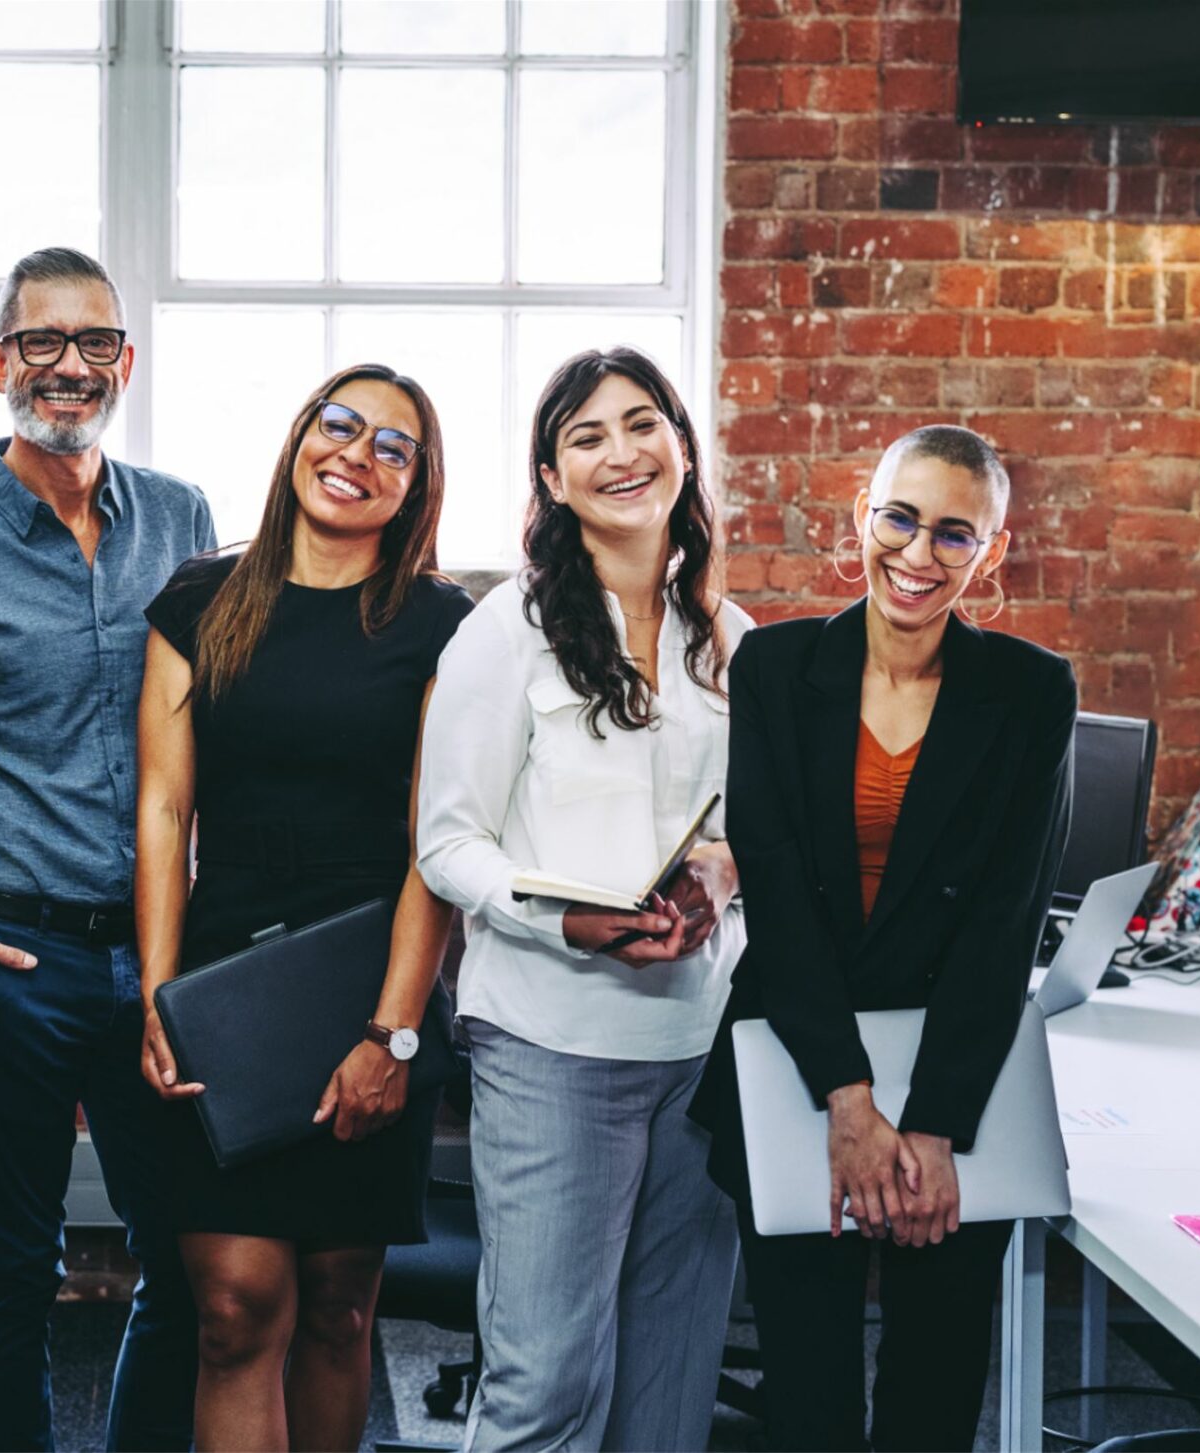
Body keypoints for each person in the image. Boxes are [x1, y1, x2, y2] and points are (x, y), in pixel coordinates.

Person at [0, 246, 215, 1451]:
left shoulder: (182, 519)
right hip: (6, 956)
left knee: (183, 1256)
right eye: (41, 343)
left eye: (94, 344)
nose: (69, 367)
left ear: (126, 359)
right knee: (13, 1263)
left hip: (159, 953)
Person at [687, 424, 1076, 1453]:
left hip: (952, 1085)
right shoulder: (774, 666)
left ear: (991, 551)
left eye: (955, 534)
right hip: (797, 1069)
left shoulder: (1031, 692)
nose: (916, 553)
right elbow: (776, 897)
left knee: (933, 1400)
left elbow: (1005, 922)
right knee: (806, 1402)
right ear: (860, 514)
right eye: (898, 518)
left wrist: (933, 1126)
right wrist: (849, 1102)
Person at [416, 347, 752, 1451]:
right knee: (547, 1389)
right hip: (550, 1044)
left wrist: (716, 874)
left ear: (682, 447)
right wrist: (559, 915)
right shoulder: (501, 630)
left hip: (699, 1049)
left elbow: (740, 829)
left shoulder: (731, 636)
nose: (622, 452)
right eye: (586, 436)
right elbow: (446, 843)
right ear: (551, 480)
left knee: (666, 1395)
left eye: (642, 423)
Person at [134, 366, 472, 1451]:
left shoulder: (437, 623)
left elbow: (436, 844)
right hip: (228, 982)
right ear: (296, 440)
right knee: (232, 1307)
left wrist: (393, 1032)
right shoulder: (201, 598)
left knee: (337, 1305)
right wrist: (158, 995)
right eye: (339, 425)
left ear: (416, 486)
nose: (356, 454)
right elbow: (163, 805)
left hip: (369, 980)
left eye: (393, 446)